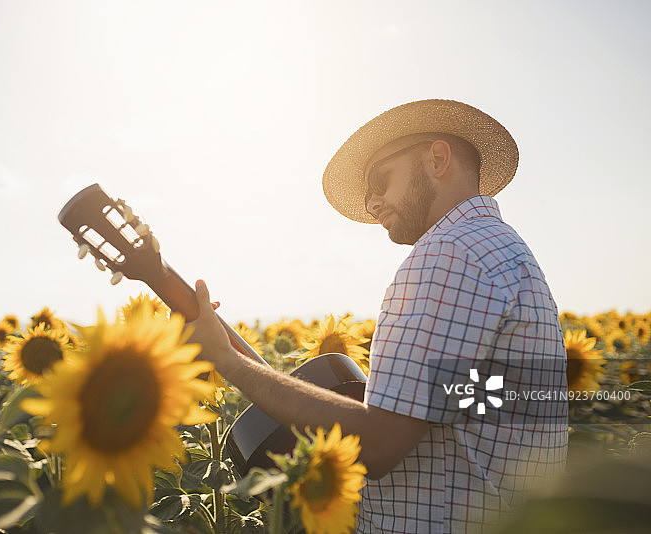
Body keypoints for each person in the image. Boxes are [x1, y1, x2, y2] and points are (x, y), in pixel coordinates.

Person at [187, 99, 568, 533]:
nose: (371, 203)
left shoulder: (449, 253)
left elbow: (380, 442)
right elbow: (455, 411)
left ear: (437, 159)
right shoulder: (503, 250)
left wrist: (228, 361)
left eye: (379, 180)